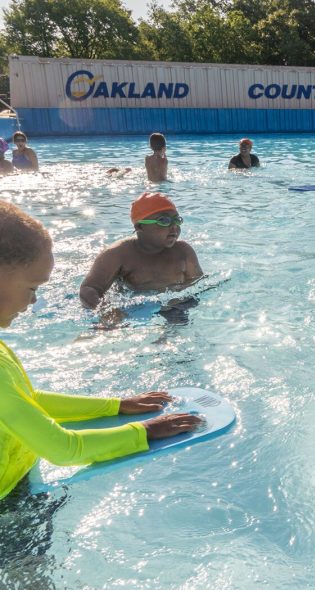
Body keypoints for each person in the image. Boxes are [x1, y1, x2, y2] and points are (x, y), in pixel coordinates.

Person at [0, 200, 202, 501]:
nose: (33, 302)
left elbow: (26, 401)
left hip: (18, 482)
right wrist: (146, 432)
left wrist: (116, 405)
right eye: (32, 288)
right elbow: (64, 450)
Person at [79, 192, 203, 310]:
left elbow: (198, 282)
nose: (174, 226)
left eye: (177, 220)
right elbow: (89, 288)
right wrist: (103, 310)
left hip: (174, 305)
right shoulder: (118, 254)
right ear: (140, 227)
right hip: (133, 307)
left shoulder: (183, 252)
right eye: (164, 221)